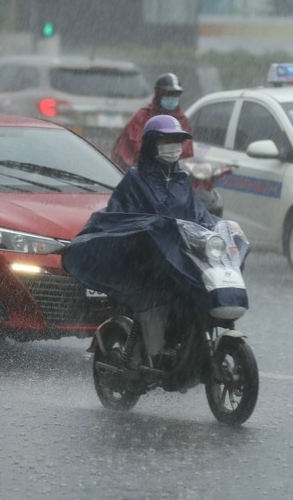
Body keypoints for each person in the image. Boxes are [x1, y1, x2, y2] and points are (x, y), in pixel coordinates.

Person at [63, 115, 219, 364]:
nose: (173, 146)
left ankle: (188, 346)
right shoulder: (135, 180)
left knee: (201, 292)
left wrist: (219, 228)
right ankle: (160, 351)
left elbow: (196, 215)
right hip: (146, 261)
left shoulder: (181, 180)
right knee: (167, 296)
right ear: (151, 144)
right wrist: (150, 229)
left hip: (180, 258)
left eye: (177, 140)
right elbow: (121, 218)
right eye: (166, 140)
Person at [110, 72, 193, 170]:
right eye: (168, 94)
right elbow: (136, 147)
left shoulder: (182, 121)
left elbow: (185, 153)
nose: (172, 98)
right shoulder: (143, 116)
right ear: (158, 94)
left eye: (175, 95)